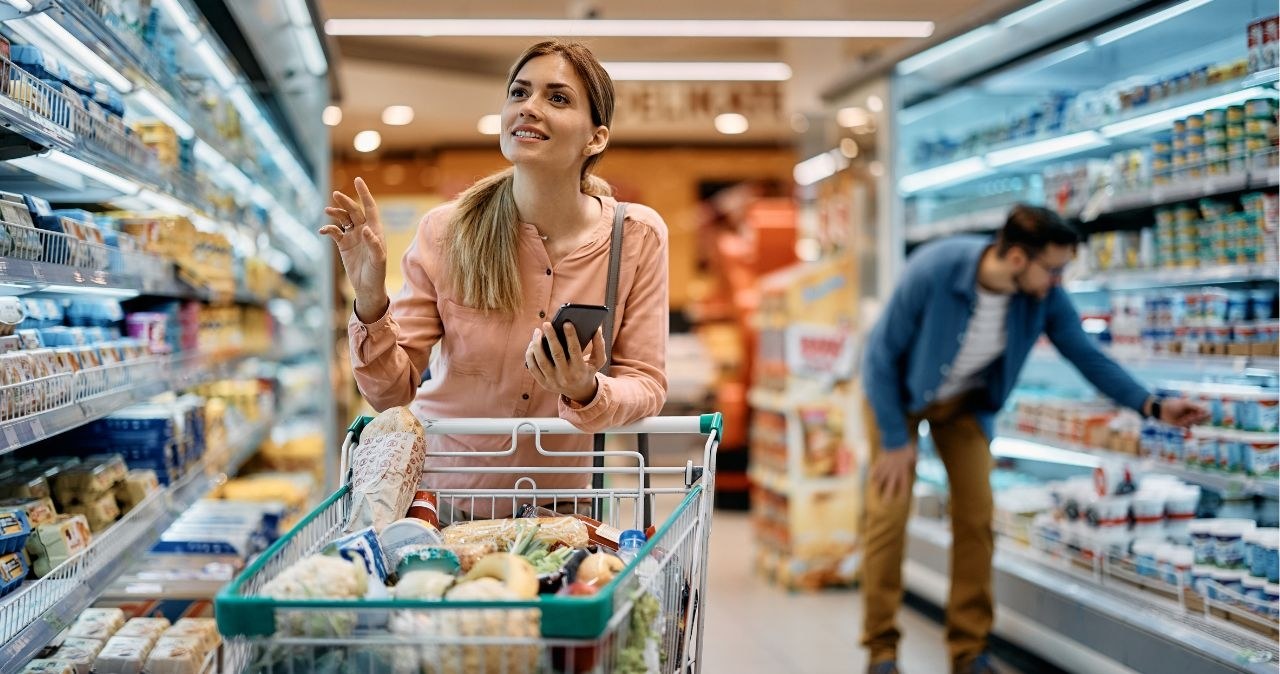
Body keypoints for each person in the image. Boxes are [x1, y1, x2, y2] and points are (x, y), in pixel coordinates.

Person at [321, 40, 669, 516]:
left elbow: (647, 384)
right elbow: (391, 393)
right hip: (435, 503)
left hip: (558, 511)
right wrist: (368, 297)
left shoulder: (635, 236)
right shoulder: (447, 231)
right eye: (519, 93)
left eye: (558, 98)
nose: (530, 107)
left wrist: (588, 390)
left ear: (596, 138)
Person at [859, 205, 1208, 674]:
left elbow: (1087, 355)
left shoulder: (1043, 298)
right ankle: (882, 651)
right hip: (895, 400)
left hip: (963, 407)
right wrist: (893, 441)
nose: (1059, 281)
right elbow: (879, 357)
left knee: (978, 517)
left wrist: (1153, 406)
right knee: (887, 515)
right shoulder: (935, 269)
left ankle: (968, 653)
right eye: (1055, 268)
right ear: (1018, 259)